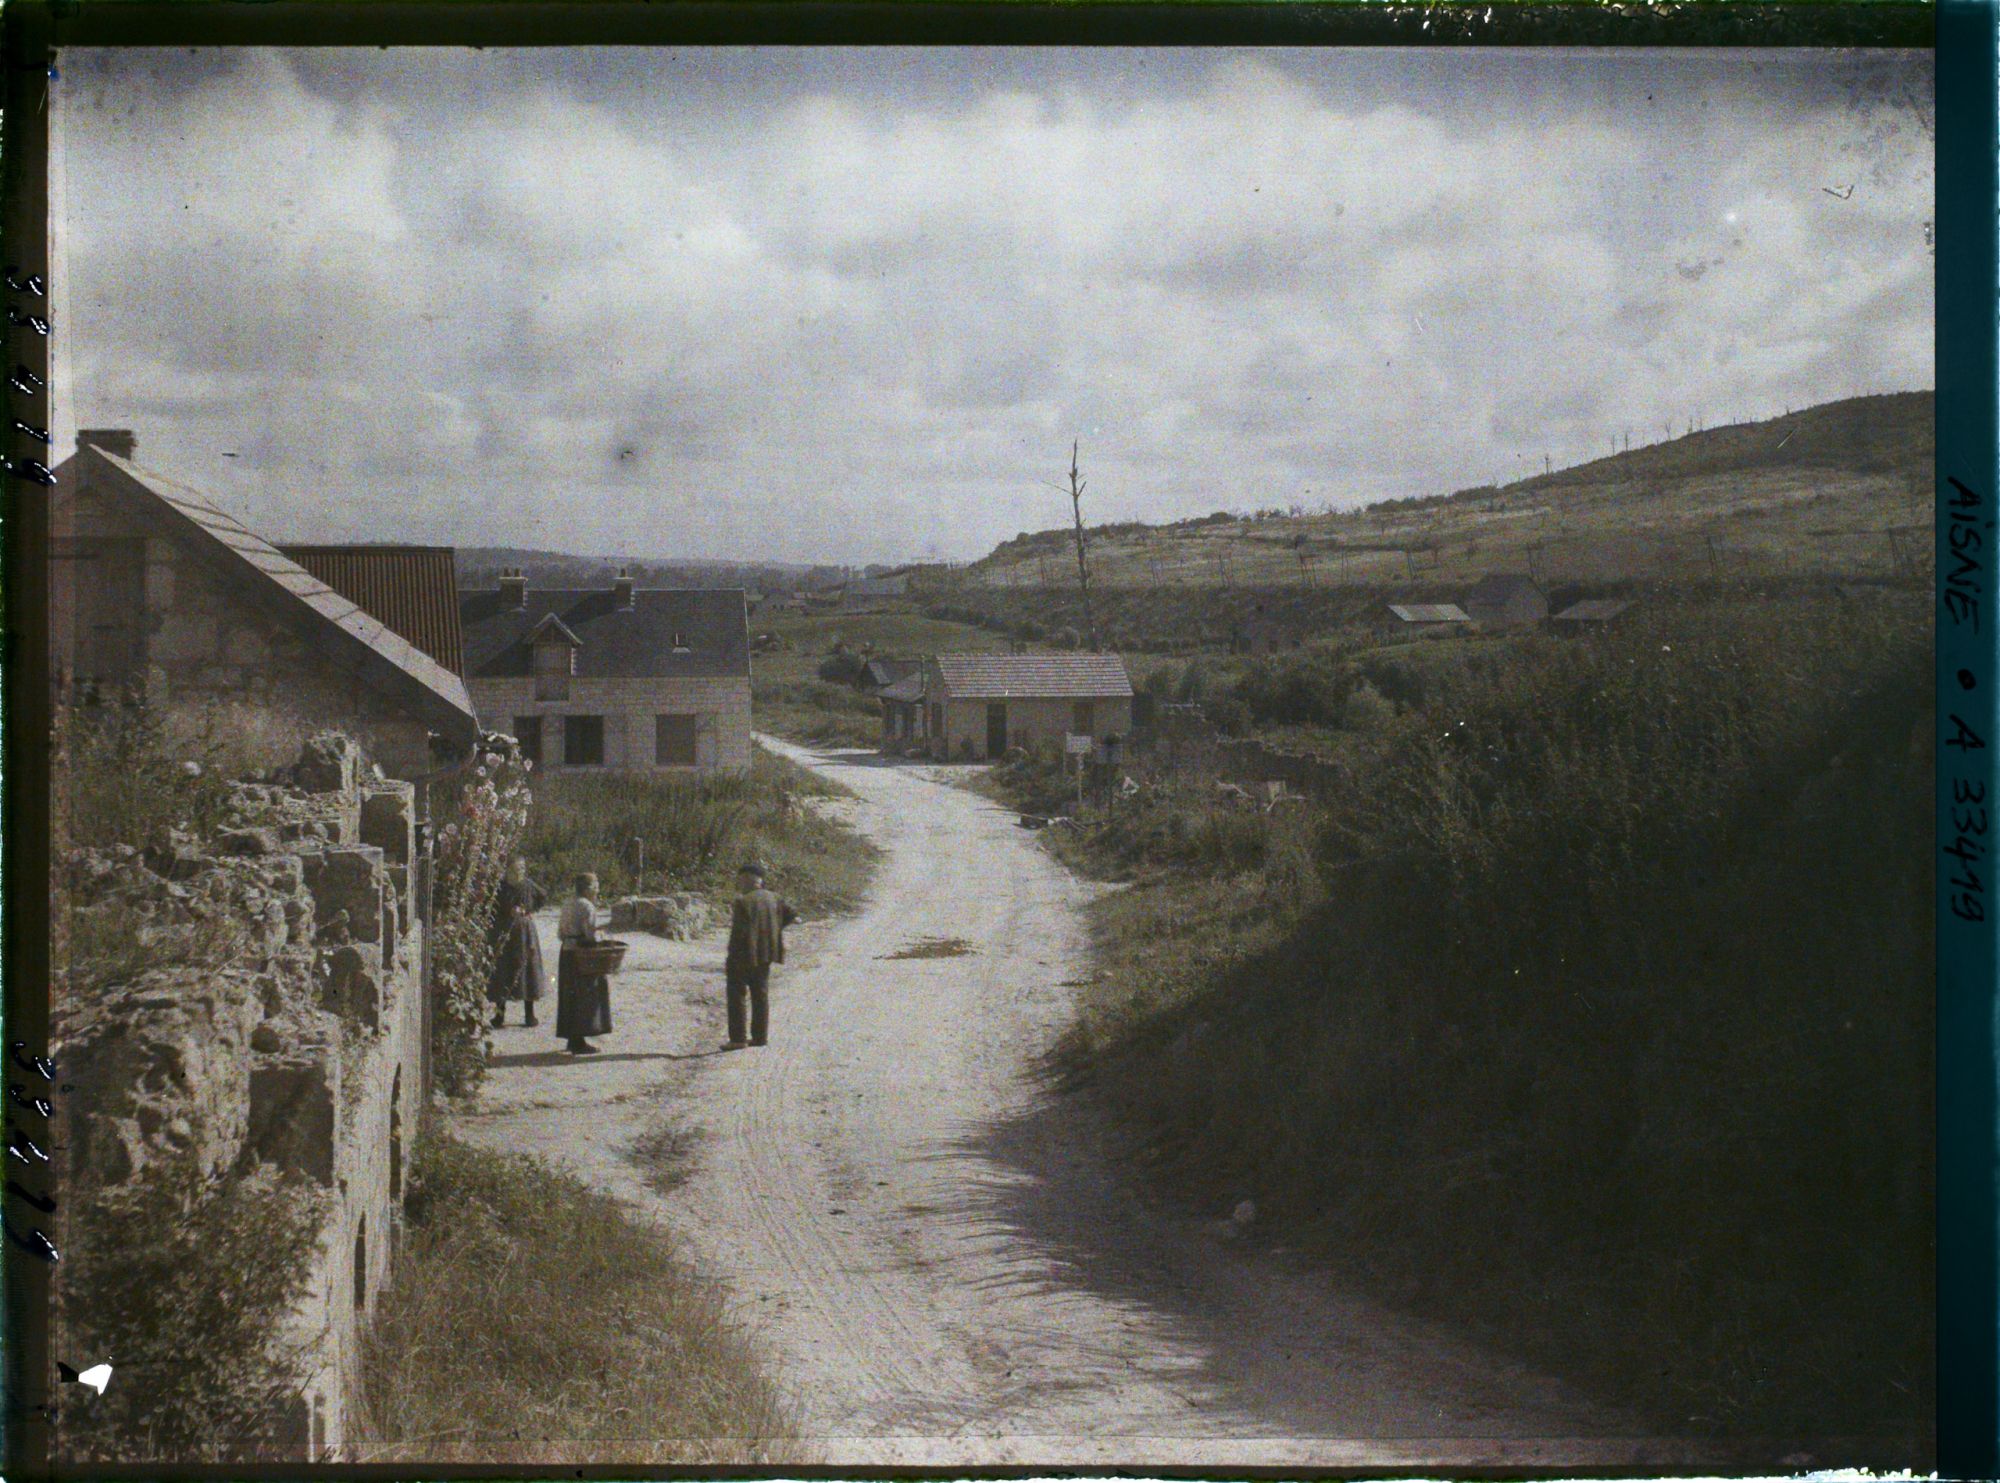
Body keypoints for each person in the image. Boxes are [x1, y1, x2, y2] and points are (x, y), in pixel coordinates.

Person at [724, 860, 797, 1050]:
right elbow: (793, 915)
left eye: (740, 879)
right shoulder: (775, 898)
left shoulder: (743, 901)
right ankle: (760, 1037)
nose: (739, 883)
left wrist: (731, 957)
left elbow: (738, 933)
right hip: (766, 954)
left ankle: (738, 1039)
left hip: (743, 954)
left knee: (737, 995)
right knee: (760, 994)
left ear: (748, 879)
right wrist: (773, 930)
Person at [487, 856, 549, 1028]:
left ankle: (530, 1015)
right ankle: (499, 1016)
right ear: (507, 870)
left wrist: (527, 910)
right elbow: (491, 905)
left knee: (527, 970)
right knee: (503, 971)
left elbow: (542, 896)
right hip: (504, 933)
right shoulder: (500, 886)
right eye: (515, 869)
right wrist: (507, 911)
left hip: (524, 934)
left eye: (522, 869)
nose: (519, 872)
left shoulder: (528, 885)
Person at [555, 871, 612, 1056]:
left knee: (569, 995)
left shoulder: (567, 903)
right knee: (585, 995)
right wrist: (602, 935)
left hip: (566, 952)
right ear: (588, 889)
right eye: (596, 886)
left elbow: (560, 933)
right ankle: (579, 1040)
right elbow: (590, 935)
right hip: (582, 955)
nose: (597, 890)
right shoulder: (587, 906)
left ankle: (573, 1039)